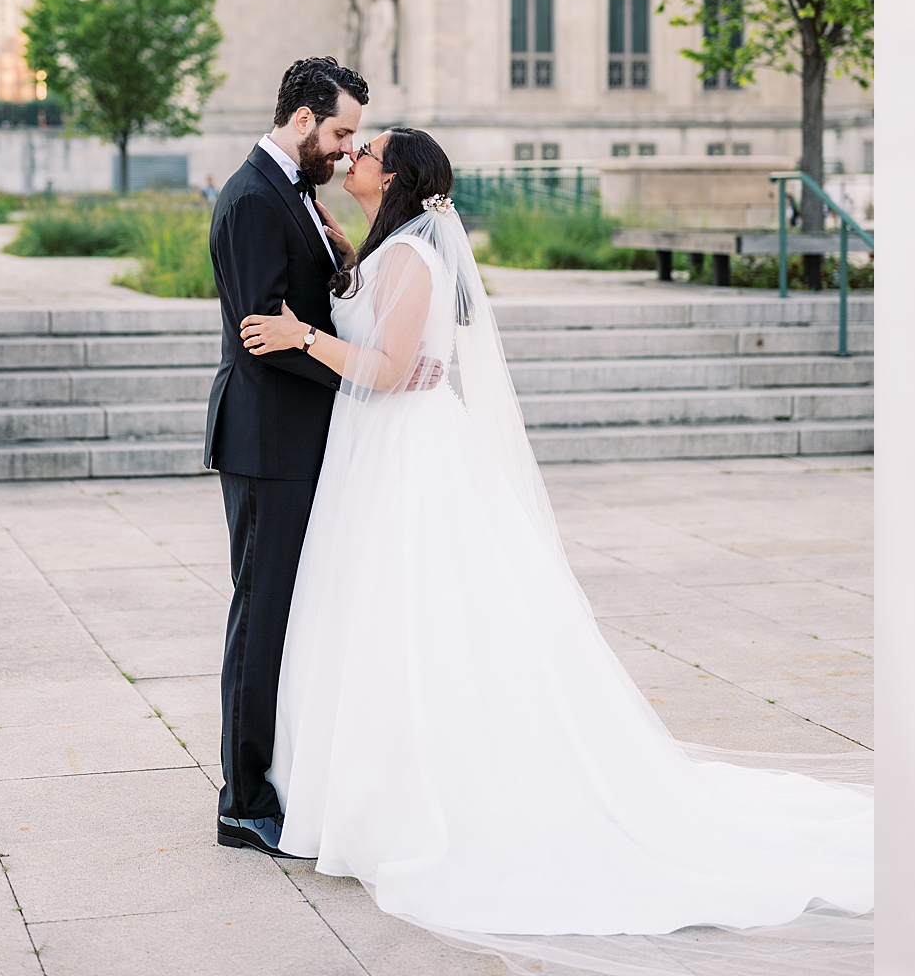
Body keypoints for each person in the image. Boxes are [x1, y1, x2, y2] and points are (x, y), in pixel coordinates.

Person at [238, 127, 872, 969]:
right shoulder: (391, 247)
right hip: (393, 448)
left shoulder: (407, 260)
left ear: (393, 177)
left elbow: (390, 370)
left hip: (406, 454)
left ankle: (418, 791)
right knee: (395, 619)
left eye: (366, 153)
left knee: (413, 617)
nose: (351, 158)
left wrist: (302, 337)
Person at [204, 56, 366, 857]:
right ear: (302, 120)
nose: (345, 150)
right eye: (340, 132)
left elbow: (299, 304)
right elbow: (263, 331)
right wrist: (358, 373)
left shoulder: (295, 196)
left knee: (284, 615)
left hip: (295, 435)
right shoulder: (254, 199)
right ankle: (241, 800)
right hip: (268, 439)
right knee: (260, 617)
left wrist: (340, 262)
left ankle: (271, 775)